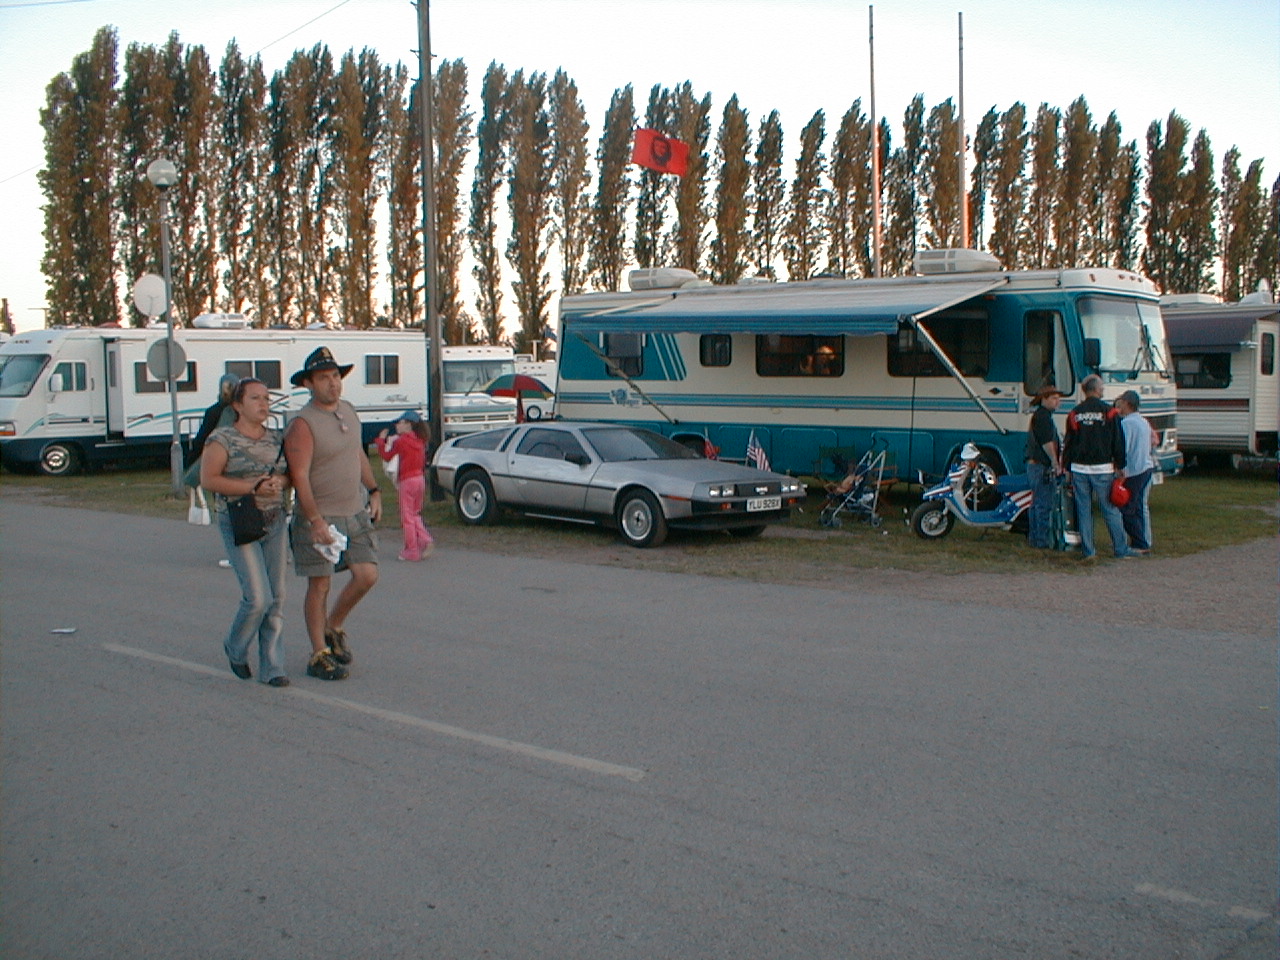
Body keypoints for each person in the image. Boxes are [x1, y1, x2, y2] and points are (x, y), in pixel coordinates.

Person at [284, 346, 381, 681]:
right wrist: (315, 521)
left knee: (367, 574)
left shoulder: (348, 411)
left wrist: (374, 489)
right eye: (324, 378)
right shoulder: (303, 424)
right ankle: (318, 654)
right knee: (320, 585)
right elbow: (299, 476)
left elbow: (357, 453)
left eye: (336, 376)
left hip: (354, 511)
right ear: (309, 384)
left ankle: (334, 625)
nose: (332, 383)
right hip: (321, 516)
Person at [199, 378, 291, 686]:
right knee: (257, 598)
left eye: (266, 398)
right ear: (237, 405)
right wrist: (251, 487)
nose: (263, 404)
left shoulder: (276, 438)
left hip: (274, 519)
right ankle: (235, 646)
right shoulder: (222, 438)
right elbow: (210, 479)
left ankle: (273, 667)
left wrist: (279, 483)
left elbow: (288, 474)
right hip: (240, 520)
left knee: (276, 598)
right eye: (255, 398)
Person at [1062, 374, 1133, 560]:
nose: (1103, 390)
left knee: (1083, 511)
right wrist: (1120, 464)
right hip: (1103, 468)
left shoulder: (1074, 413)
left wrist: (1066, 466)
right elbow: (1118, 440)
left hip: (1079, 468)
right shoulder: (1109, 412)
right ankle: (1120, 548)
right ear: (1096, 389)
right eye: (1101, 387)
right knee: (1109, 509)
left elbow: (1069, 443)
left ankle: (1088, 551)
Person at [375, 410, 435, 562]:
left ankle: (412, 549)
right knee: (415, 513)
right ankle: (424, 539)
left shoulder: (401, 441)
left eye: (400, 423)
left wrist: (380, 441)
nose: (397, 425)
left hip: (407, 480)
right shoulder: (420, 441)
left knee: (407, 516)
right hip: (419, 479)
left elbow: (387, 456)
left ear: (409, 425)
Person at [1114, 389, 1157, 553]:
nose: (1119, 405)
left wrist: (1119, 467)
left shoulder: (1127, 423)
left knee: (1127, 507)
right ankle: (1143, 540)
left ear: (1127, 403)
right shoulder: (1143, 421)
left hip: (1134, 470)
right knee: (1139, 506)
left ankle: (1139, 542)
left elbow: (1124, 448)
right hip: (1146, 467)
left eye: (1121, 402)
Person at [1024, 386, 1065, 549]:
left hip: (1034, 465)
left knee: (1037, 503)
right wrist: (1055, 461)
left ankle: (1034, 538)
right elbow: (1047, 442)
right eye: (1054, 398)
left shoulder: (1041, 416)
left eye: (1058, 398)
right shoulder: (1043, 417)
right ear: (1044, 399)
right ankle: (1041, 541)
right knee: (1043, 504)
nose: (1058, 402)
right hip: (1041, 466)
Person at [184, 373, 239, 485]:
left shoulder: (213, 411)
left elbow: (202, 438)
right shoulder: (242, 411)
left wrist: (191, 459)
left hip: (218, 457)